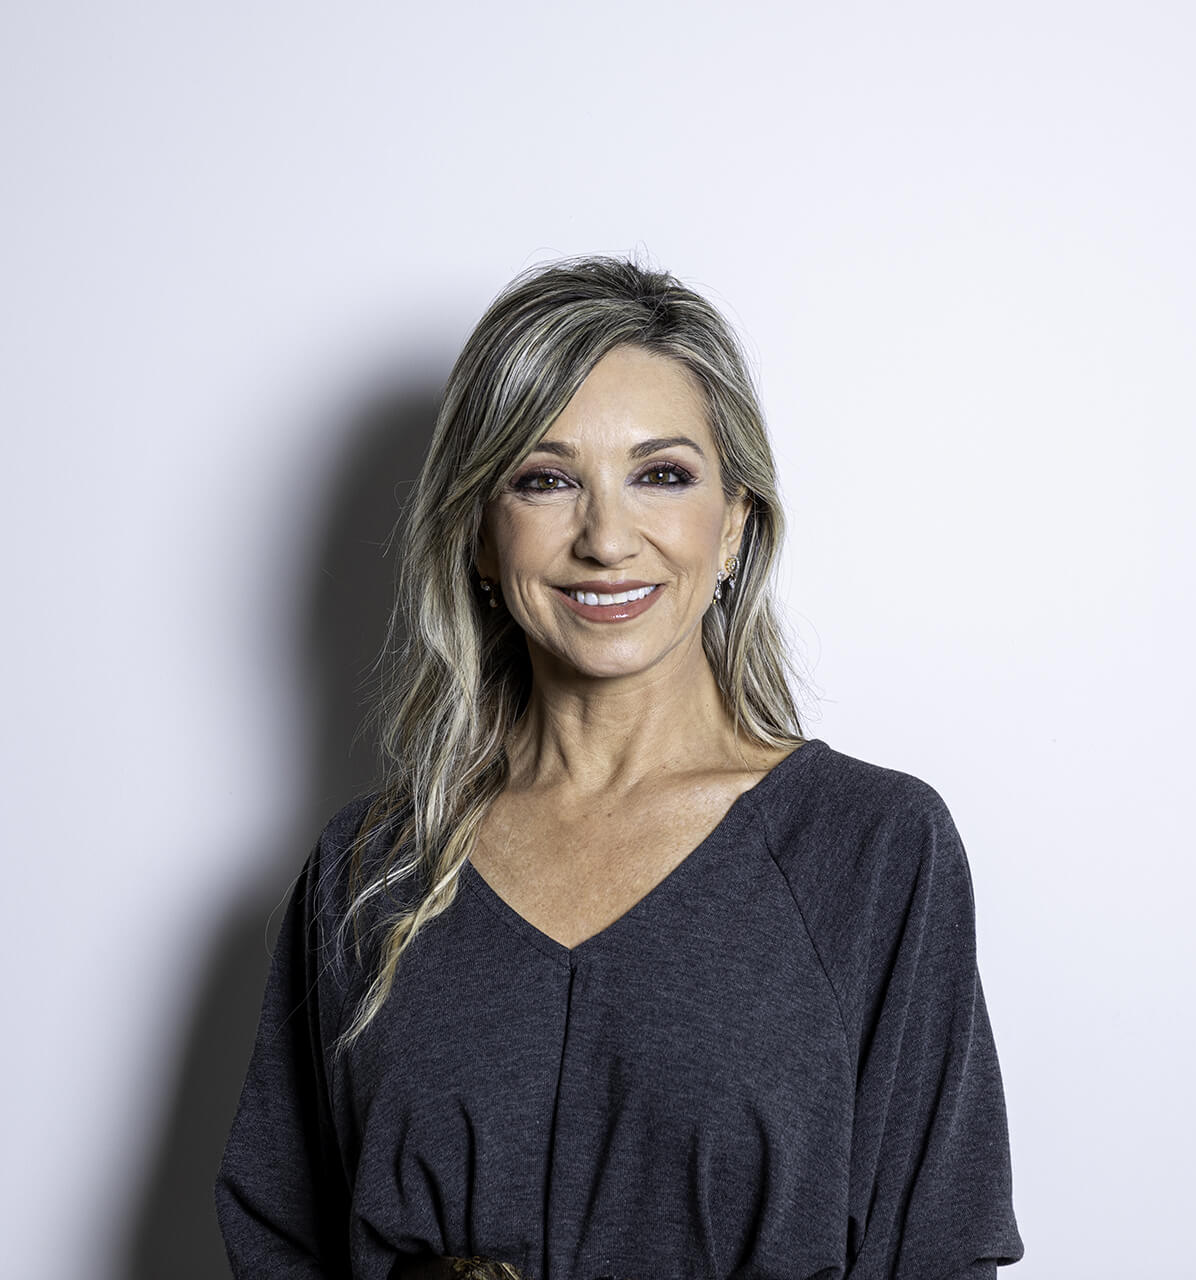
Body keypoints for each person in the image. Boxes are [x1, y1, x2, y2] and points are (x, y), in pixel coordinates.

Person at [214, 255, 1024, 1280]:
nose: (605, 538)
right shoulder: (370, 870)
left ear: (733, 525)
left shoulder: (870, 850)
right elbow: (280, 1235)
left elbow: (936, 1248)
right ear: (479, 534)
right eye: (545, 479)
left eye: (662, 474)